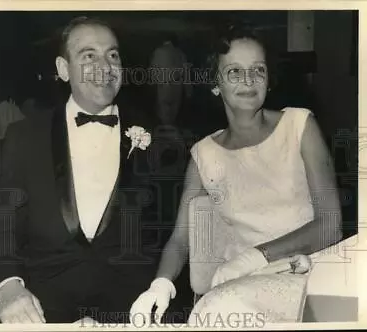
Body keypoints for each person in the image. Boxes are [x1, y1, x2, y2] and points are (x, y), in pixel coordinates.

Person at [130, 24, 343, 324]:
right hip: (244, 288)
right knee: (212, 312)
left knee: (216, 309)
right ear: (215, 83)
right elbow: (180, 239)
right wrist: (160, 285)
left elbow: (331, 225)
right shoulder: (204, 155)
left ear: (269, 81)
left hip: (313, 276)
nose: (248, 80)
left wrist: (253, 257)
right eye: (234, 72)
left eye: (258, 70)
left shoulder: (300, 126)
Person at [0, 16, 155, 324]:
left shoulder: (156, 140)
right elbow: (2, 226)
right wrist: (9, 288)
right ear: (63, 69)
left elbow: (170, 235)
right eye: (89, 56)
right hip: (42, 305)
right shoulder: (24, 136)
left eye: (112, 55)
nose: (105, 67)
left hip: (130, 306)